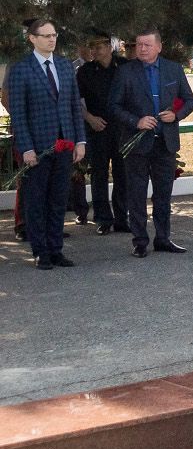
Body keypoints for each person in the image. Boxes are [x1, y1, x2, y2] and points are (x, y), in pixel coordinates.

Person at [4, 19, 87, 268]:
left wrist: (79, 141)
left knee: (58, 199)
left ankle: (56, 249)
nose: (51, 40)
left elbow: (74, 106)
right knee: (36, 199)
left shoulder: (63, 66)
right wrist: (26, 148)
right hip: (37, 148)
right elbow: (18, 113)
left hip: (64, 145)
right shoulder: (21, 69)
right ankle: (40, 251)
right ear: (32, 38)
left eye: (54, 35)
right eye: (46, 35)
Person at [109, 28, 193, 258]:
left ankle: (163, 238)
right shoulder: (126, 72)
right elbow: (114, 107)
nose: (142, 49)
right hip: (137, 143)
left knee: (163, 194)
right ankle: (139, 241)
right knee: (137, 193)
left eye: (147, 45)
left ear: (159, 46)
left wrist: (176, 115)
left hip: (164, 142)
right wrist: (136, 121)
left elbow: (190, 101)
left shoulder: (173, 69)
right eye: (139, 45)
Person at [77, 33, 128, 235]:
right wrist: (89, 118)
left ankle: (122, 218)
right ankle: (103, 219)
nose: (95, 51)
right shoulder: (85, 71)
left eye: (99, 47)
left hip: (121, 128)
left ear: (109, 47)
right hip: (97, 128)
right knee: (99, 174)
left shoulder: (124, 66)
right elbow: (76, 101)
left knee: (122, 173)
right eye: (92, 47)